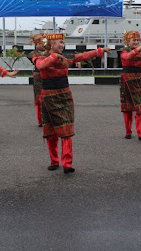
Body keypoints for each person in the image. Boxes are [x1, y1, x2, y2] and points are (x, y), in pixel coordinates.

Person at [33, 33, 111, 174]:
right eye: (60, 42)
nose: (62, 45)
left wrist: (99, 51)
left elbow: (81, 56)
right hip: (48, 97)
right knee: (50, 133)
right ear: (50, 45)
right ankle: (54, 160)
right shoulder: (40, 58)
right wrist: (54, 57)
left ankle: (67, 163)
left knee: (67, 131)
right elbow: (41, 66)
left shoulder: (66, 58)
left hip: (65, 96)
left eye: (63, 43)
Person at [27, 33, 45, 127]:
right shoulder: (33, 54)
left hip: (48, 76)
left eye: (43, 43)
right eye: (39, 43)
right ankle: (40, 120)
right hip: (38, 76)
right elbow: (32, 57)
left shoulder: (50, 52)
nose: (41, 45)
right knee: (38, 98)